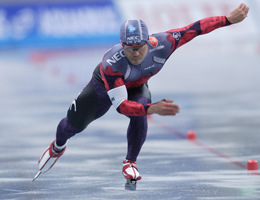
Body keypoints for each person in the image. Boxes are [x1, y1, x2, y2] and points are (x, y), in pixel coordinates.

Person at [35, 3, 249, 182]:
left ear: (148, 42)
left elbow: (195, 28)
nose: (136, 52)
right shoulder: (112, 63)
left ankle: (130, 162)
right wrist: (152, 108)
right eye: (130, 48)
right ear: (122, 45)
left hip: (137, 84)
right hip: (104, 87)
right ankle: (57, 147)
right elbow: (121, 106)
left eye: (139, 47)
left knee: (141, 113)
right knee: (72, 125)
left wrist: (228, 19)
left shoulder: (164, 43)